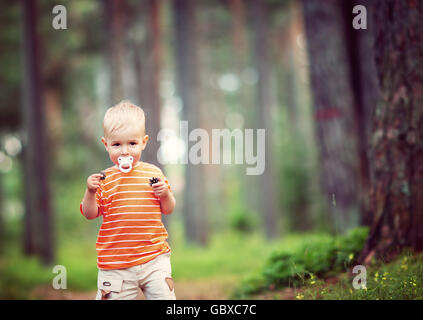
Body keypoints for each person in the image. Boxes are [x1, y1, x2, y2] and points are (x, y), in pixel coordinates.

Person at [80, 100, 176, 300]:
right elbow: (90, 214)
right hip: (116, 266)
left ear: (143, 142)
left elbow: (168, 209)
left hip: (154, 259)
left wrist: (165, 194)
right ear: (106, 145)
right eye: (117, 144)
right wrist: (90, 192)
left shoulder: (153, 173)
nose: (124, 151)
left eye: (132, 143)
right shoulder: (103, 180)